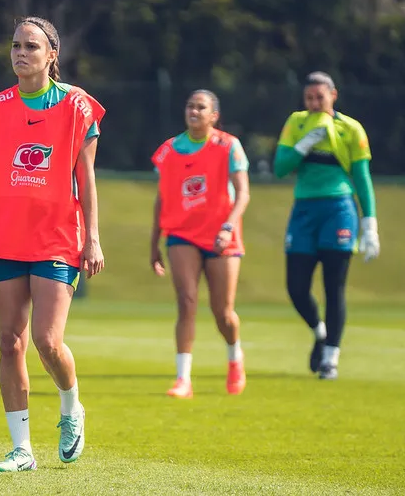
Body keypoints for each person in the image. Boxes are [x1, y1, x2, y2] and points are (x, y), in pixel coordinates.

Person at [0, 16, 105, 472]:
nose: (21, 53)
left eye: (32, 47)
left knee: (46, 340)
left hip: (58, 237)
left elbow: (86, 178)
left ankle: (71, 406)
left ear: (52, 55)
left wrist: (93, 237)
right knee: (9, 341)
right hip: (4, 236)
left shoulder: (77, 105)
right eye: (16, 45)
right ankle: (22, 449)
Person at [274, 71, 379, 380]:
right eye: (309, 98)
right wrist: (304, 144)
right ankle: (319, 331)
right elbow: (281, 167)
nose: (315, 103)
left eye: (320, 97)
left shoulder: (350, 129)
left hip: (338, 210)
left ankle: (331, 358)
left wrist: (369, 222)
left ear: (333, 95)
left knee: (334, 287)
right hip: (304, 211)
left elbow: (361, 176)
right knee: (296, 287)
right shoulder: (296, 123)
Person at [149, 90, 251, 399]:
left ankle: (235, 356)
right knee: (187, 302)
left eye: (201, 107)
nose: (194, 111)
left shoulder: (229, 146)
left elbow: (242, 193)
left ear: (214, 115)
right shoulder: (168, 151)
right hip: (181, 234)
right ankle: (183, 379)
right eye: (190, 105)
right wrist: (154, 244)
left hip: (221, 236)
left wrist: (228, 227)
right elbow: (162, 199)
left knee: (223, 313)